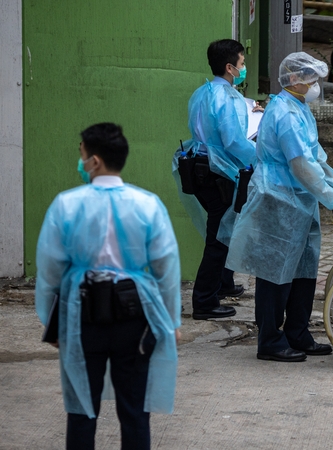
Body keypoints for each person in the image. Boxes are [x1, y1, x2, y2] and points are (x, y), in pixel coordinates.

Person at [35, 123, 181, 449]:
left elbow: (50, 269)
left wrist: (51, 320)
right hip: (135, 316)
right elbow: (166, 268)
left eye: (82, 155)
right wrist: (170, 321)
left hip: (80, 316)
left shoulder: (66, 204)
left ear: (95, 161)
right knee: (134, 410)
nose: (81, 161)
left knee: (82, 409)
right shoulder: (148, 204)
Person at [226, 52, 333, 363]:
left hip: (300, 199)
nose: (315, 86)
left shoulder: (299, 107)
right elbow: (300, 165)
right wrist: (332, 199)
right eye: (311, 80)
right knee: (276, 271)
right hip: (279, 196)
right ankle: (269, 339)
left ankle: (298, 332)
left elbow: (315, 156)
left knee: (304, 269)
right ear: (294, 80)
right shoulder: (285, 113)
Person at [181, 39, 260, 320]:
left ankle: (224, 283)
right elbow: (234, 141)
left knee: (226, 229)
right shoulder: (226, 98)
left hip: (200, 166)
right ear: (230, 67)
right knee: (218, 236)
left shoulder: (204, 92)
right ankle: (204, 301)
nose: (244, 67)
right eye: (242, 63)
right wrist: (263, 154)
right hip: (217, 172)